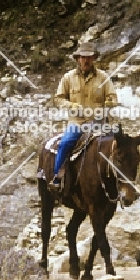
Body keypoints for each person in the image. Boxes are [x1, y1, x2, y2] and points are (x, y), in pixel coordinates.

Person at [50, 41, 119, 190]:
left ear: (93, 58)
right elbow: (58, 98)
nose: (86, 60)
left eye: (89, 57)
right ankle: (58, 179)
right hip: (77, 122)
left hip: (99, 122)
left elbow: (113, 98)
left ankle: (120, 182)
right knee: (65, 143)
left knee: (119, 144)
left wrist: (107, 104)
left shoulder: (103, 77)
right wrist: (71, 105)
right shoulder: (68, 78)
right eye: (83, 57)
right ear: (78, 59)